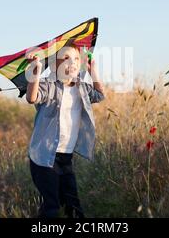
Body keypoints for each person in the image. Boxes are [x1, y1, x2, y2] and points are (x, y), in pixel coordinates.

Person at [25, 43, 105, 218]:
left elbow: (100, 95)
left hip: (65, 156)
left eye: (76, 58)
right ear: (54, 65)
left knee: (73, 205)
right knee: (52, 205)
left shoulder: (82, 87)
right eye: (66, 58)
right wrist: (35, 73)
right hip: (44, 157)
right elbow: (32, 98)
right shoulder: (49, 85)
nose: (73, 63)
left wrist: (93, 72)